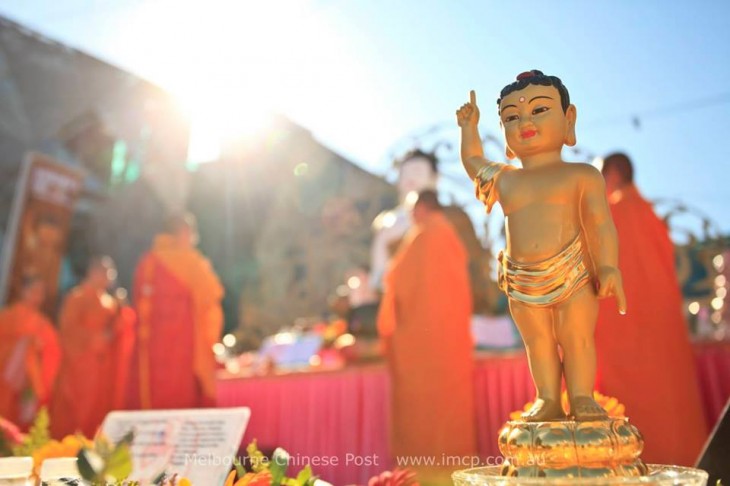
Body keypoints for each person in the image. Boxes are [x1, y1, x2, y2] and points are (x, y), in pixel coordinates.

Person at [457, 70, 626, 421]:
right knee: (538, 343)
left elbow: (600, 223)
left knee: (576, 337)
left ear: (568, 118)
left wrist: (608, 265)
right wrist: (469, 128)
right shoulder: (506, 179)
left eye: (539, 110)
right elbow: (474, 163)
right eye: (511, 117)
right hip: (521, 279)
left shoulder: (581, 175)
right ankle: (547, 399)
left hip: (574, 271)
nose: (525, 122)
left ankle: (581, 397)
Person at [596, 152, 707, 465]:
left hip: (626, 341)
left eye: (600, 177)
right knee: (675, 410)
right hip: (665, 342)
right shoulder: (653, 219)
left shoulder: (614, 215)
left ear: (615, 174)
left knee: (636, 423)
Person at [377, 189, 477, 461]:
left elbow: (399, 284)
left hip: (422, 346)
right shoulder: (450, 236)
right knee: (450, 406)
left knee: (423, 410)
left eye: (412, 208)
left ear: (423, 207)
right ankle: (455, 467)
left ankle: (423, 469)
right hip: (451, 341)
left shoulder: (423, 236)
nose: (410, 214)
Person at [370, 149, 496, 314]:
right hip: (400, 310)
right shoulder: (385, 223)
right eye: (404, 172)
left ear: (435, 178)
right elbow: (379, 281)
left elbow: (471, 268)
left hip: (446, 308)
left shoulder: (453, 216)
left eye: (417, 170)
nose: (410, 177)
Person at [127, 212, 224, 409]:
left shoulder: (149, 262)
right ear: (184, 232)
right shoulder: (191, 261)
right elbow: (211, 299)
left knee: (155, 397)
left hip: (154, 347)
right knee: (182, 396)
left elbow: (140, 305)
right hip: (185, 345)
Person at [51, 256, 135, 438]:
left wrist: (122, 311)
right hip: (80, 365)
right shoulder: (77, 297)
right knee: (76, 410)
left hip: (102, 368)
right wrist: (93, 339)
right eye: (105, 273)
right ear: (93, 272)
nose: (108, 278)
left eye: (111, 274)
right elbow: (68, 329)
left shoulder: (110, 302)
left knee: (98, 411)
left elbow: (118, 331)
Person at [0, 277, 61, 428]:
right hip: (6, 380)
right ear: (23, 291)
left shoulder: (43, 324)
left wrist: (36, 351)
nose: (36, 296)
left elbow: (54, 353)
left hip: (29, 382)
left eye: (40, 293)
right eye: (33, 291)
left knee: (22, 423)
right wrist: (22, 346)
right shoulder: (9, 316)